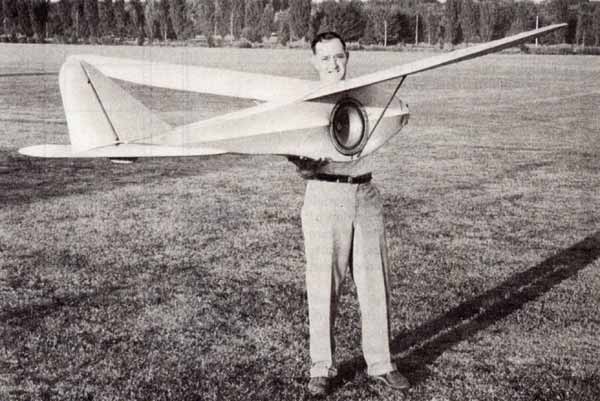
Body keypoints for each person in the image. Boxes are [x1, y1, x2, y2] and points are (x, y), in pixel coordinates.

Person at [288, 31, 410, 396]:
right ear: (314, 62)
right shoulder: (304, 102)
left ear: (348, 57)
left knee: (376, 283)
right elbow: (296, 156)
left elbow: (395, 114)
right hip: (325, 196)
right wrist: (302, 161)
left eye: (338, 56)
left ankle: (382, 363)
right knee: (324, 284)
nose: (333, 64)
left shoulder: (365, 94)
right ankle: (321, 367)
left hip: (366, 193)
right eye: (325, 59)